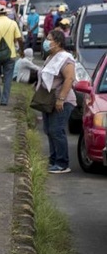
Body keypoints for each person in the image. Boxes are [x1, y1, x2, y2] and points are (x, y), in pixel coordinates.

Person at [38, 30, 77, 174]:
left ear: (58, 42)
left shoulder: (66, 59)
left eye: (49, 39)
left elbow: (69, 79)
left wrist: (61, 98)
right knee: (48, 130)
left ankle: (62, 163)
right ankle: (53, 160)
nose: (46, 42)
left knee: (56, 130)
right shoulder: (51, 57)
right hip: (49, 100)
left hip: (63, 100)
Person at [0, 4, 24, 106]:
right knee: (8, 77)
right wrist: (21, 51)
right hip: (10, 54)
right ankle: (4, 100)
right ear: (6, 13)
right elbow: (19, 38)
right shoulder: (13, 23)